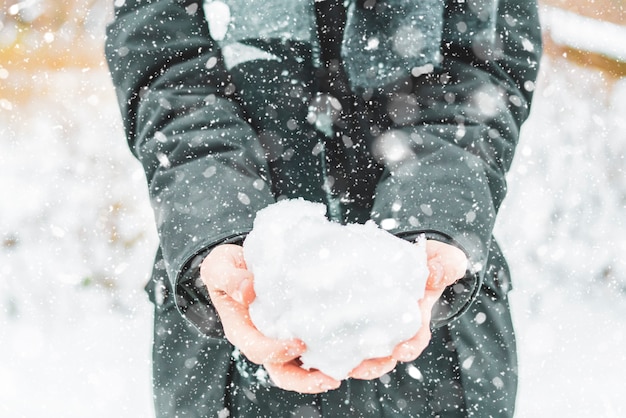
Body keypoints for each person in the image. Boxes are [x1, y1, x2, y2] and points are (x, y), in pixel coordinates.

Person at [105, 0, 541, 416]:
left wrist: (433, 225)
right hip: (227, 340)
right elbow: (165, 70)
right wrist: (218, 235)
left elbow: (484, 69)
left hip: (441, 348)